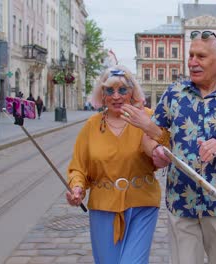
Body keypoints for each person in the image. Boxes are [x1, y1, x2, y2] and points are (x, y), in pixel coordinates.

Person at [121, 30, 216, 263]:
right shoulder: (174, 94)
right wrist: (155, 152)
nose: (192, 62)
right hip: (181, 201)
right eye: (190, 55)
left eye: (201, 56)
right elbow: (149, 138)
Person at [65, 65, 162, 264]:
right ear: (102, 94)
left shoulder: (147, 118)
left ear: (132, 92)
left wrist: (157, 143)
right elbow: (78, 167)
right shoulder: (92, 126)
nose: (116, 96)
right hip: (103, 207)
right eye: (110, 90)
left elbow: (164, 142)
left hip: (142, 204)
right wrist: (77, 188)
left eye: (122, 90)